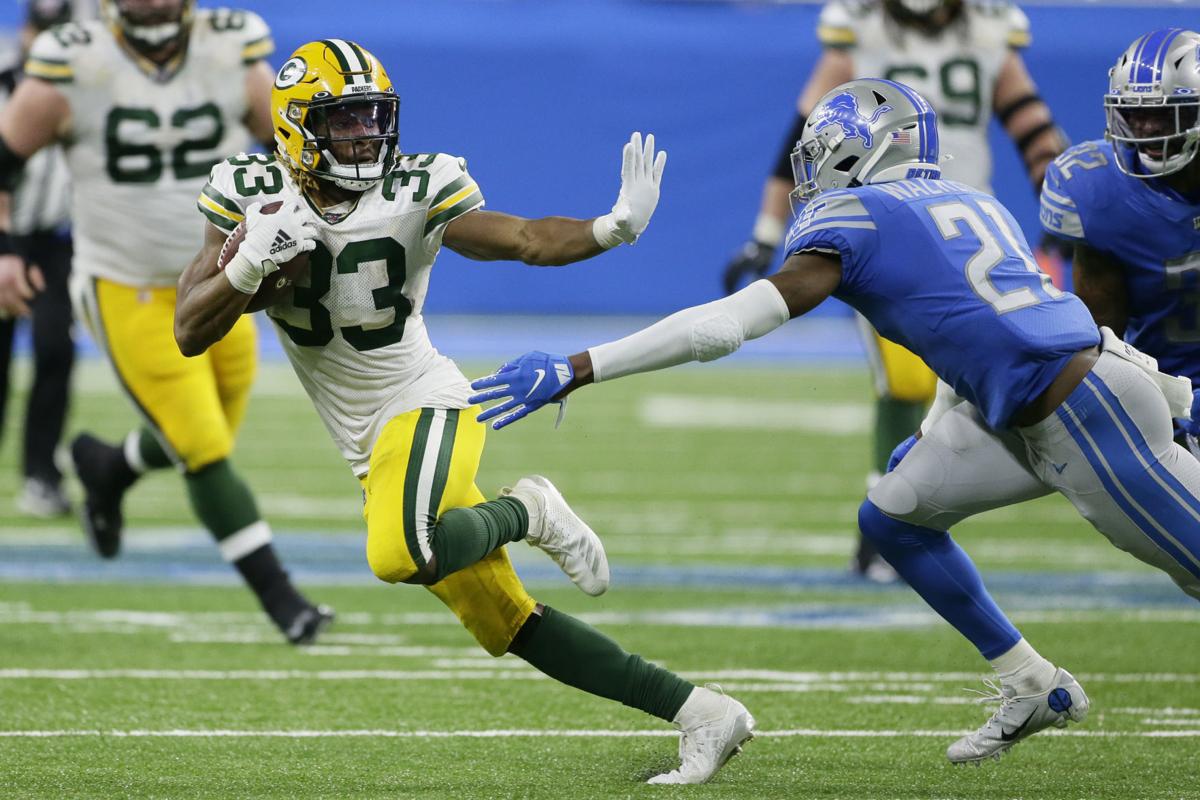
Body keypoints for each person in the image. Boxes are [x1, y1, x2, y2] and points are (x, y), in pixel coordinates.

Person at [473, 78, 1200, 764]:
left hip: (1082, 413)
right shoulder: (971, 199)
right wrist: (944, 419)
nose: (811, 173)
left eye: (822, 153)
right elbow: (980, 330)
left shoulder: (858, 217)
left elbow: (728, 325)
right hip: (1047, 395)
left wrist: (580, 365)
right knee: (893, 517)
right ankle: (1033, 684)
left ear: (864, 150)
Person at [173, 39, 754, 785]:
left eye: (371, 119)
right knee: (506, 622)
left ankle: (530, 509)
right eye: (343, 122)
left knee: (397, 554)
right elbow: (191, 329)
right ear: (294, 129)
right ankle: (703, 712)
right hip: (365, 439)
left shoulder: (415, 188)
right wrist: (249, 262)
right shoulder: (251, 191)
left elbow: (525, 240)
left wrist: (612, 228)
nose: (363, 136)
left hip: (426, 401)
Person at [0, 0, 332, 644]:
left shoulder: (230, 50)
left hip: (221, 277)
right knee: (203, 447)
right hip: (126, 285)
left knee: (207, 433)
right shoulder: (72, 59)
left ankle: (108, 466)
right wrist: (6, 246)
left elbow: (294, 149)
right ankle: (283, 600)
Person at [721, 0, 1066, 580]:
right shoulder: (859, 30)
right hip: (885, 228)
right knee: (906, 379)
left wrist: (1063, 214)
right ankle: (886, 524)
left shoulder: (988, 29)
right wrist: (764, 230)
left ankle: (904, 518)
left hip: (968, 231)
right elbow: (803, 135)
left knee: (988, 384)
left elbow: (1033, 127)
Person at [1040, 28, 1200, 444]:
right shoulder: (1100, 192)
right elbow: (1101, 335)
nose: (1146, 129)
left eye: (1164, 115)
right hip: (1165, 392)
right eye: (1133, 113)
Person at [0, 0, 74, 517]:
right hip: (4, 234)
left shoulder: (81, 76)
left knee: (55, 350)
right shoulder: (6, 73)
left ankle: (41, 474)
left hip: (55, 240)